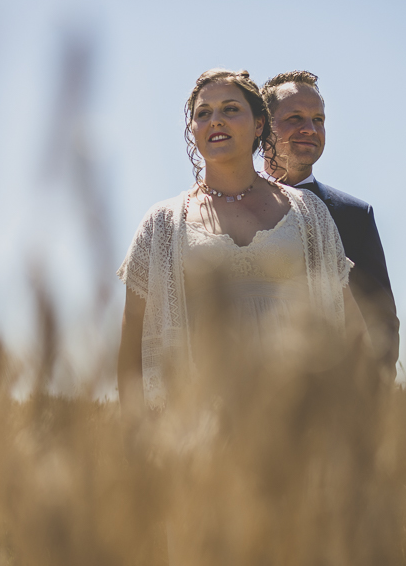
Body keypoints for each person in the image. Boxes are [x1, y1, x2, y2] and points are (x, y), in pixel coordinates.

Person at [117, 69, 368, 423]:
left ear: (260, 125)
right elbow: (131, 343)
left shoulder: (308, 213)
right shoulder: (161, 223)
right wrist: (134, 430)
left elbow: (351, 329)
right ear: (193, 129)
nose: (215, 120)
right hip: (198, 420)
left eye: (231, 109)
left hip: (297, 414)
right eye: (203, 113)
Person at [261, 70, 400, 379]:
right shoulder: (223, 209)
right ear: (261, 127)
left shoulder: (355, 215)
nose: (310, 129)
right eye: (295, 118)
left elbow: (381, 321)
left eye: (318, 120)